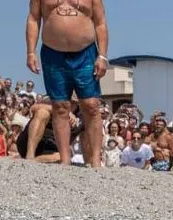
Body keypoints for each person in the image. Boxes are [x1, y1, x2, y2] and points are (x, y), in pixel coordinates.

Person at [25, 0, 109, 168]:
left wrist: (102, 56)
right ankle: (65, 159)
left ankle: (95, 160)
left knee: (91, 105)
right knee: (60, 106)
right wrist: (31, 52)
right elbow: (34, 18)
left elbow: (100, 23)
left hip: (86, 53)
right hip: (52, 53)